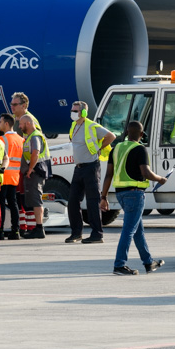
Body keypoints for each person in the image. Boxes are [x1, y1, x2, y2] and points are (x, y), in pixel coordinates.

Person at [100, 120, 167, 275]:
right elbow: (146, 173)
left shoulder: (116, 148)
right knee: (129, 230)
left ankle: (148, 262)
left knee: (138, 230)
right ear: (141, 134)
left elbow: (108, 175)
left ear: (126, 133)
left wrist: (103, 196)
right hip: (135, 194)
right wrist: (160, 179)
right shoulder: (140, 149)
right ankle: (119, 265)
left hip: (120, 194)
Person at [65, 101, 115, 244]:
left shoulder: (92, 125)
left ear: (84, 113)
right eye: (72, 110)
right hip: (79, 168)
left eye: (75, 111)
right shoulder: (74, 125)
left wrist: (99, 147)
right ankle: (76, 233)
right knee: (73, 201)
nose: (72, 113)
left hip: (91, 167)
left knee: (93, 201)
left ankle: (97, 234)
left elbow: (111, 136)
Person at [19, 114, 49, 239]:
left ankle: (39, 227)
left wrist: (30, 169)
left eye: (21, 124)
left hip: (37, 171)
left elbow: (35, 153)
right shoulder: (31, 136)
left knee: (36, 200)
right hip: (35, 171)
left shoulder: (35, 136)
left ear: (28, 124)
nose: (19, 127)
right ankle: (37, 227)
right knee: (33, 199)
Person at [0, 113, 24, 240]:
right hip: (15, 176)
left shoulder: (2, 139)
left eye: (0, 121)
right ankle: (16, 230)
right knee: (13, 203)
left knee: (1, 203)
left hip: (3, 175)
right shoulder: (20, 139)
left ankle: (1, 230)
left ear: (6, 124)